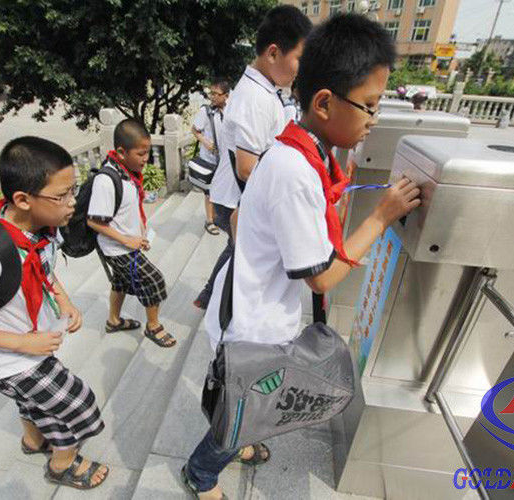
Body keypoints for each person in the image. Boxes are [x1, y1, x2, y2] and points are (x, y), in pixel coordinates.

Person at [181, 14, 420, 500]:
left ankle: (240, 435)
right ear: (325, 103)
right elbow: (322, 278)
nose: (374, 120)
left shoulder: (298, 147)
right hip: (254, 322)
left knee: (247, 403)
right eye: (370, 106)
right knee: (242, 406)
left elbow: (243, 218)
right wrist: (382, 216)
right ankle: (200, 473)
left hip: (253, 302)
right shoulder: (296, 169)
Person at [0, 137, 108, 489]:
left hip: (29, 344)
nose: (73, 202)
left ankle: (33, 440)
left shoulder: (39, 229)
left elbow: (43, 267)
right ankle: (62, 464)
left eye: (73, 190)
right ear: (23, 200)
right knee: (78, 405)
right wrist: (23, 344)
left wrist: (64, 301)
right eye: (62, 195)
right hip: (5, 357)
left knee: (37, 402)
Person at [193, 5, 313, 309]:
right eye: (299, 58)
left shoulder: (260, 91)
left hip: (233, 196)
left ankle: (211, 298)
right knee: (243, 257)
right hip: (235, 199)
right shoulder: (256, 97)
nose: (301, 69)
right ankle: (218, 303)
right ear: (273, 53)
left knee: (237, 252)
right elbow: (246, 168)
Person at [87, 119, 175, 348]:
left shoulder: (127, 172)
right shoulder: (106, 181)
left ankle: (113, 321)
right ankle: (153, 327)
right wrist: (128, 240)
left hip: (128, 243)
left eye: (147, 152)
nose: (146, 158)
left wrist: (139, 235)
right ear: (121, 152)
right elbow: (94, 222)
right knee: (154, 280)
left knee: (120, 282)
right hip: (117, 248)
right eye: (141, 154)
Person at [192, 79, 230, 235]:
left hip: (225, 158)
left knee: (222, 188)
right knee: (209, 190)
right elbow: (195, 130)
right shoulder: (205, 111)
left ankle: (218, 216)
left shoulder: (230, 111)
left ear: (226, 95)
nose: (212, 97)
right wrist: (205, 141)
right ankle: (209, 220)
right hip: (210, 158)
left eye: (216, 94)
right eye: (211, 93)